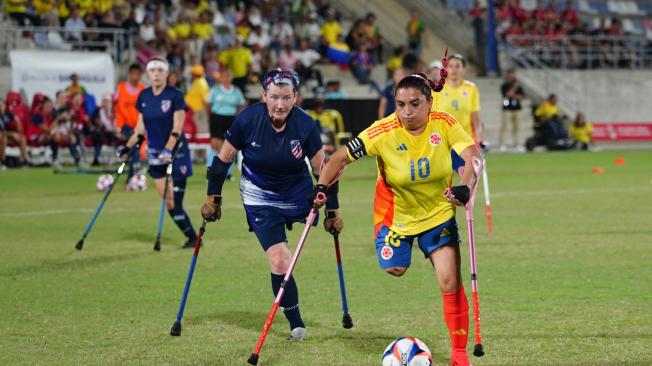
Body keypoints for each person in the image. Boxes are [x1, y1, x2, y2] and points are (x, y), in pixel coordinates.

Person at [314, 73, 482, 366]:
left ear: (429, 103)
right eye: (400, 104)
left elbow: (472, 157)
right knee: (394, 267)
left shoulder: (443, 122)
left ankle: (458, 353)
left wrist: (466, 187)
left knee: (449, 280)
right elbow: (339, 158)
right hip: (395, 215)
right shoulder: (382, 131)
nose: (406, 112)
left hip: (438, 212)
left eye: (415, 104)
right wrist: (320, 188)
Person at [200, 69, 342, 341]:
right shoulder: (247, 120)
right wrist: (213, 199)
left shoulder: (305, 125)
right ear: (264, 96)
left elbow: (324, 172)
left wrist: (332, 212)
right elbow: (222, 161)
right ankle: (296, 324)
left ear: (295, 97)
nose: (280, 104)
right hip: (259, 196)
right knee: (279, 261)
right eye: (274, 97)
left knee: (286, 257)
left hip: (298, 192)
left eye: (286, 97)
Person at [121, 57, 198, 248]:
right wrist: (127, 148)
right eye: (152, 71)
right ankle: (191, 236)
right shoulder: (144, 96)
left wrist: (168, 149)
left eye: (160, 70)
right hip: (155, 154)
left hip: (176, 153)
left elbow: (177, 128)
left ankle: (193, 239)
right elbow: (139, 129)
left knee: (177, 202)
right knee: (169, 201)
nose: (156, 74)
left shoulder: (175, 95)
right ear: (148, 75)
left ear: (166, 74)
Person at [434, 54, 481, 172]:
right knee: (443, 177)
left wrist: (479, 135)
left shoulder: (471, 89)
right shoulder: (437, 89)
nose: (454, 69)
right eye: (450, 66)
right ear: (445, 69)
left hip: (464, 139)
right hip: (443, 140)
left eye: (457, 66)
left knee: (466, 175)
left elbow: (475, 115)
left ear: (463, 69)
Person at [205, 68, 246, 174]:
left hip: (230, 119)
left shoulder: (236, 91)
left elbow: (242, 104)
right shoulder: (215, 90)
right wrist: (210, 116)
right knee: (215, 144)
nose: (226, 78)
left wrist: (237, 115)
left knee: (229, 145)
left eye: (229, 76)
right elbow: (208, 104)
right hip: (216, 118)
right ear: (221, 78)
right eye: (224, 76)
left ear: (232, 78)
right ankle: (211, 170)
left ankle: (228, 173)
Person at [114, 63, 146, 180]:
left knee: (136, 149)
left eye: (138, 74)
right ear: (129, 74)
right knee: (135, 146)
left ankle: (133, 178)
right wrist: (116, 125)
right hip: (125, 125)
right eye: (133, 74)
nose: (135, 77)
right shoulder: (121, 88)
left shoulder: (143, 89)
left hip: (139, 125)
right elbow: (114, 106)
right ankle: (137, 176)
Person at [499, 69, 525, 151]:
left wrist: (515, 95)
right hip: (507, 108)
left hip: (517, 108)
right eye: (509, 75)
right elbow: (507, 94)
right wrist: (514, 89)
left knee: (516, 127)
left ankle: (517, 144)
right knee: (505, 127)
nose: (511, 76)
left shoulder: (519, 86)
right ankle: (503, 144)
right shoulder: (504, 85)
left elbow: (521, 97)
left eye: (512, 75)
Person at [0, 97, 29, 167]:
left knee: (22, 138)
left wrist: (18, 131)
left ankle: (25, 161)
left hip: (6, 136)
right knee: (3, 138)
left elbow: (17, 120)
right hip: (2, 136)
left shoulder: (8, 114)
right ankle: (2, 162)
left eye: (1, 105)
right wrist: (11, 133)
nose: (1, 108)